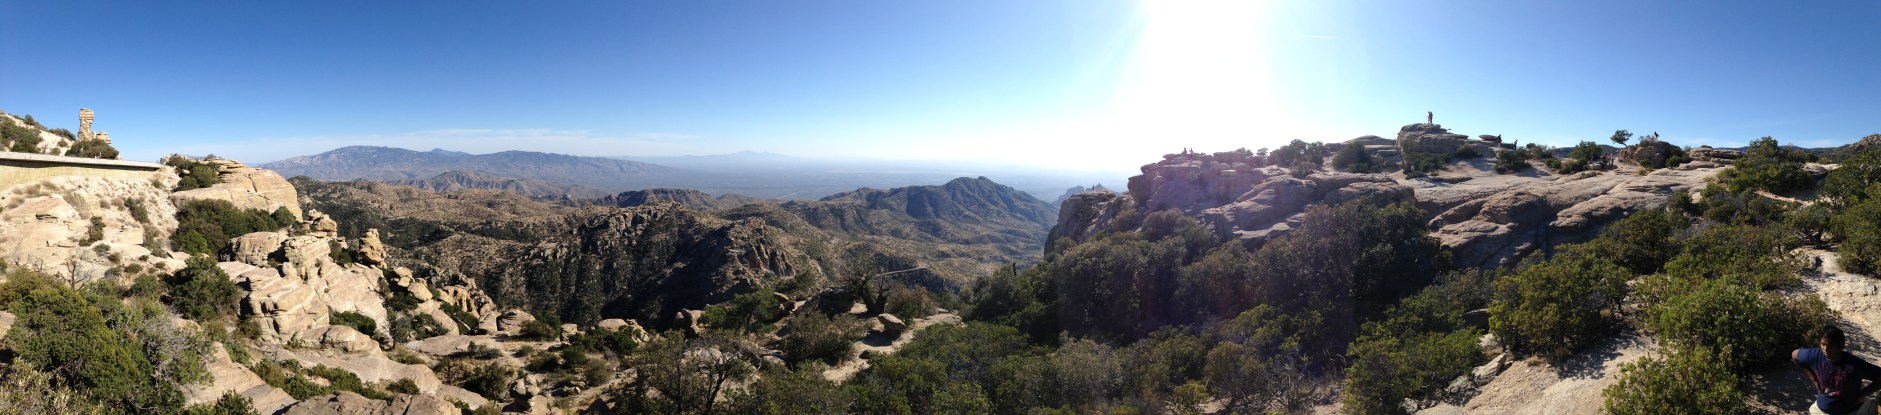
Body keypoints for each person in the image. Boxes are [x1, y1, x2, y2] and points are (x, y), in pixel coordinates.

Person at [1797, 327, 1881, 415]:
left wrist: (1863, 394)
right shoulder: (1816, 355)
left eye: (1830, 346)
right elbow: (1795, 356)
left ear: (1840, 346)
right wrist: (1813, 378)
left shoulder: (1856, 364)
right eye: (1823, 344)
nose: (1825, 349)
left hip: (1847, 411)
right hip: (1820, 410)